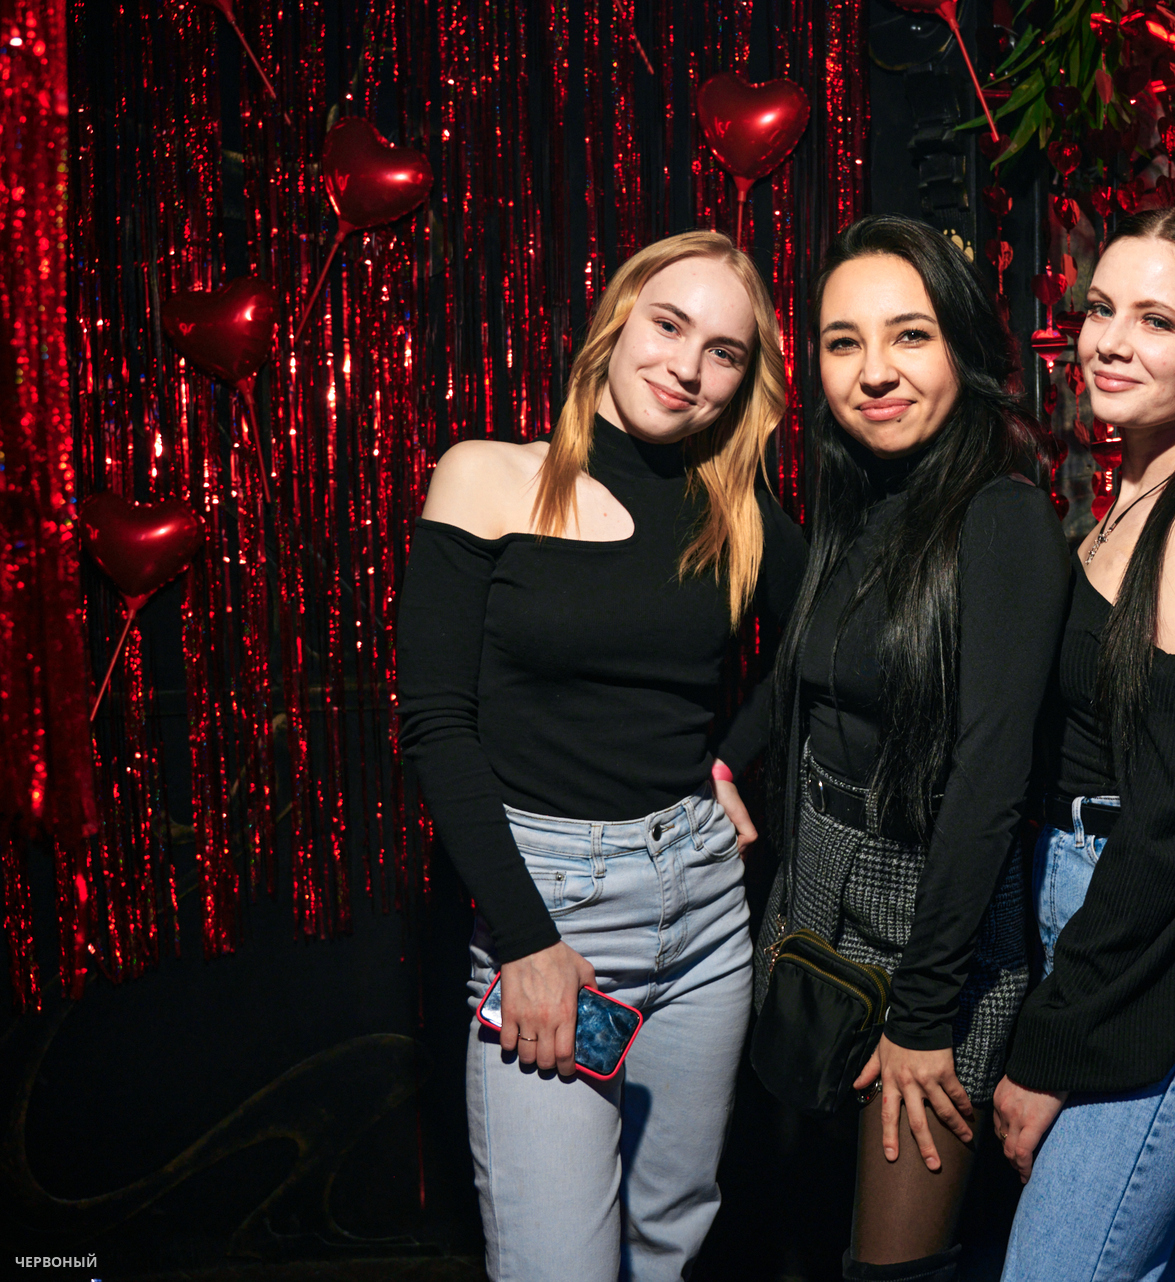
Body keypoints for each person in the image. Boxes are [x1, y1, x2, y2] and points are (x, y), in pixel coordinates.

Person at [396, 230, 807, 1282]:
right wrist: (527, 940)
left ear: (744, 381)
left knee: (669, 1241)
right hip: (552, 911)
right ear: (617, 320)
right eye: (669, 324)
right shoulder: (490, 476)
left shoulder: (736, 512)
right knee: (558, 1265)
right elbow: (436, 723)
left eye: (724, 351)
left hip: (704, 908)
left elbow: (820, 644)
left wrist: (730, 762)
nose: (688, 366)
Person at [755, 214, 1071, 1282]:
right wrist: (727, 766)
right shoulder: (862, 496)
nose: (874, 371)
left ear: (964, 347)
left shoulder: (1002, 517)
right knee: (802, 1237)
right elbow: (811, 666)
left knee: (893, 1266)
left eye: (910, 335)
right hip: (815, 897)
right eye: (843, 342)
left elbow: (990, 783)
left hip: (936, 935)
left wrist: (927, 1013)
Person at [993, 205, 1175, 1281]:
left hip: (1172, 953)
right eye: (1101, 310)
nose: (1111, 342)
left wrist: (1049, 1050)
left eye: (1157, 320)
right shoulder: (1127, 498)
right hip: (1099, 911)